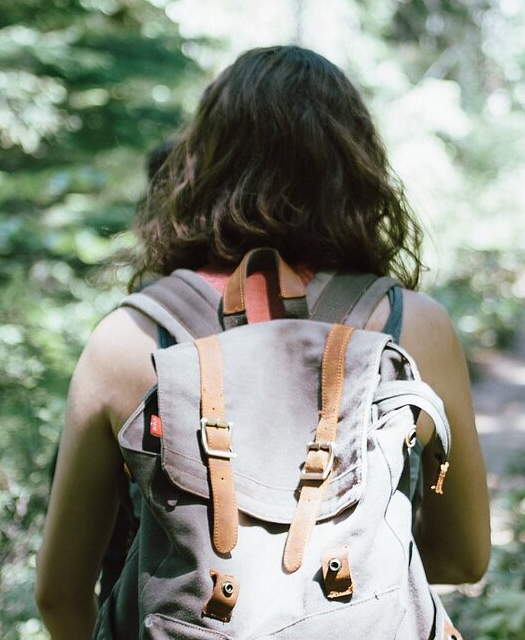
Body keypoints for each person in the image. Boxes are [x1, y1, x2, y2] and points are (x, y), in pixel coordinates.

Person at [35, 45, 489, 638]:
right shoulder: (415, 328)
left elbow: (59, 593)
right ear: (357, 169)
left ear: (201, 165)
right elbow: (463, 558)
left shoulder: (131, 338)